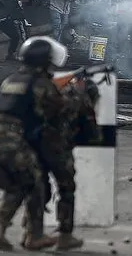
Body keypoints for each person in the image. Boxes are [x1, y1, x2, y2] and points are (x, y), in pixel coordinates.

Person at [0, 37, 66, 251]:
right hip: (11, 140)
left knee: (18, 185)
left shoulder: (11, 80)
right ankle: (34, 236)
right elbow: (55, 114)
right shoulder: (42, 84)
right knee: (36, 184)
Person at [32, 67, 102, 250]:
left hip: (36, 145)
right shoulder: (83, 101)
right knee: (66, 189)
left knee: (38, 188)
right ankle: (64, 236)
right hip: (58, 149)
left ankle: (31, 232)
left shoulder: (52, 92)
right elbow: (94, 136)